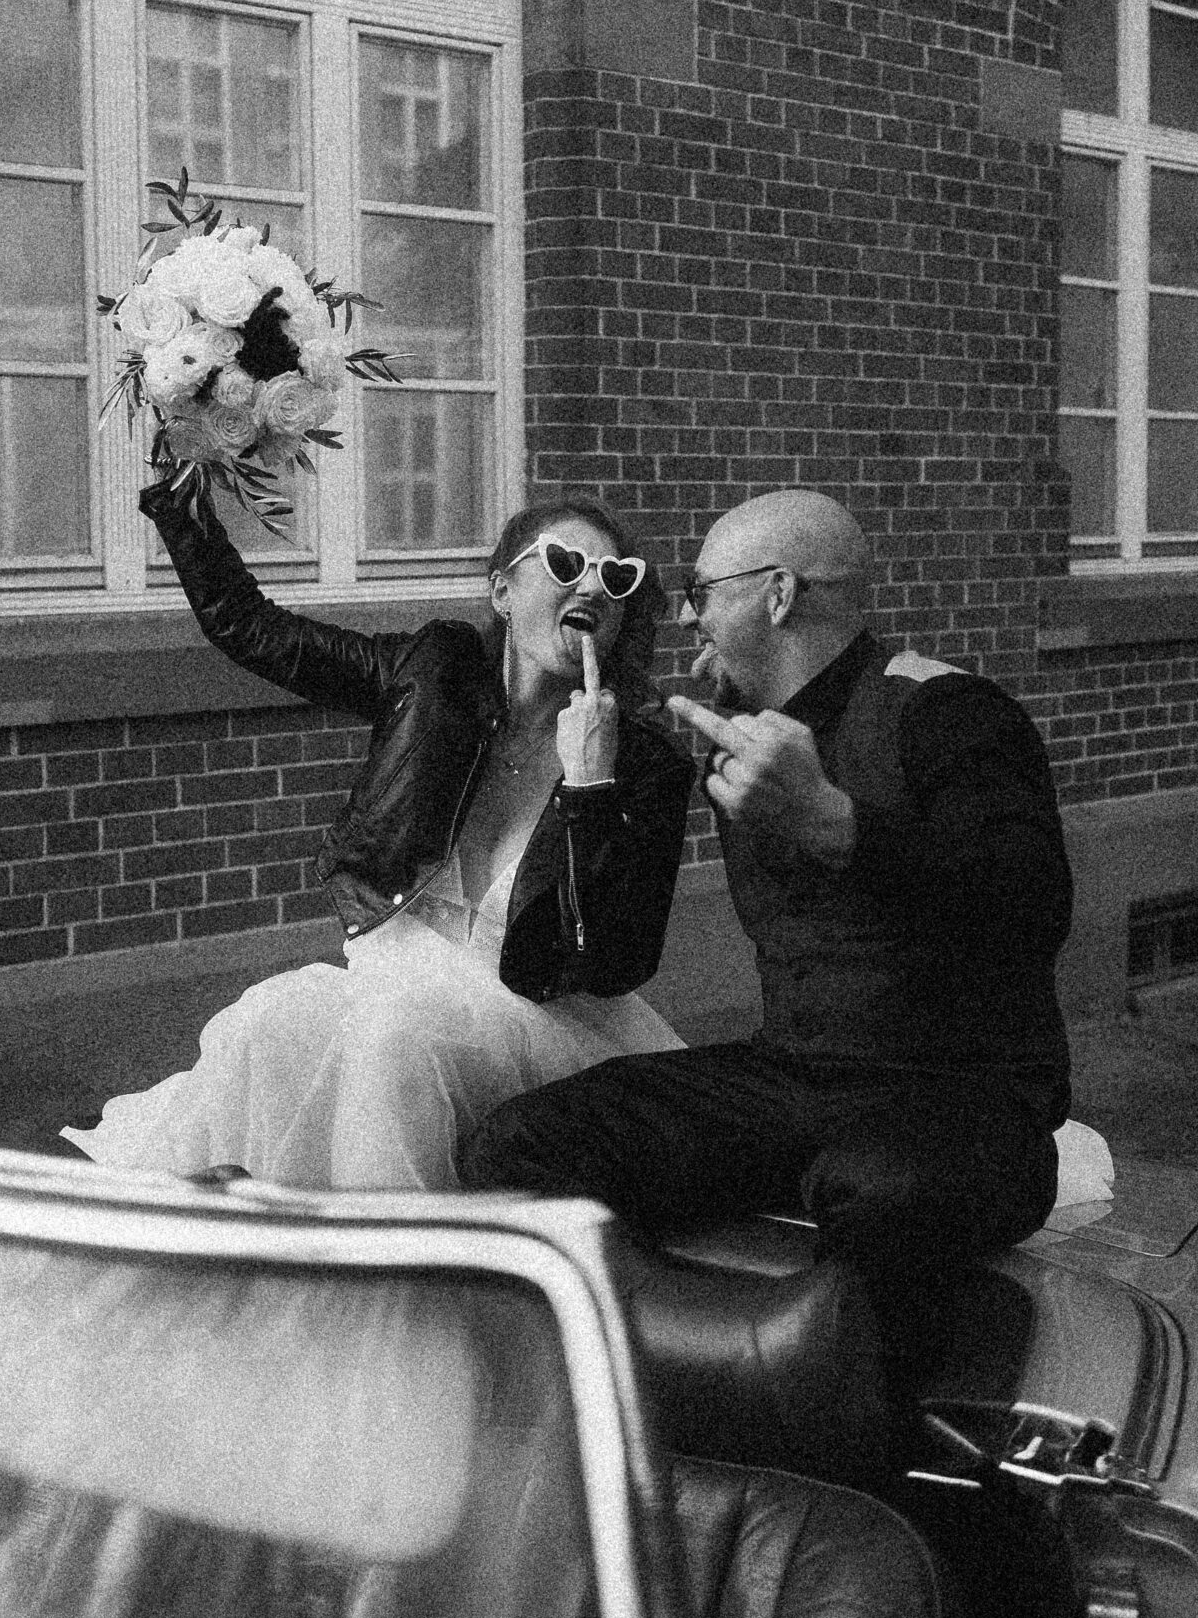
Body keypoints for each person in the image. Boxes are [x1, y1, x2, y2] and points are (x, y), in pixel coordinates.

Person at [458, 486, 1105, 1302]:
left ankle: (838, 1405)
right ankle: (651, 1371)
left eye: (702, 595)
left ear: (779, 594)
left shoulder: (946, 710)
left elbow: (1035, 907)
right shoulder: (741, 733)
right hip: (796, 1078)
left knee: (876, 1187)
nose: (687, 620)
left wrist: (840, 824)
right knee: (518, 1145)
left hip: (965, 1098)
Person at [64, 481, 693, 1187]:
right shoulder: (433, 679)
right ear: (502, 592)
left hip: (546, 1017)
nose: (593, 588)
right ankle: (233, 1248)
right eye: (566, 563)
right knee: (265, 1019)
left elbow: (614, 963)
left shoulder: (644, 762)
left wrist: (590, 792)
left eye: (616, 578)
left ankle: (404, 1273)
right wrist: (183, 506)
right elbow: (256, 630)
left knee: (395, 1039)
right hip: (403, 973)